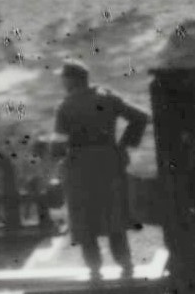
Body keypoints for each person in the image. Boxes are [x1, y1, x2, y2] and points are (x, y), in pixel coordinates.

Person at [53, 59, 149, 279]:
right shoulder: (107, 97)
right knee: (115, 217)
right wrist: (124, 145)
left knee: (85, 221)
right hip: (110, 164)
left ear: (71, 80)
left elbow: (58, 147)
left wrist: (51, 151)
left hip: (79, 169)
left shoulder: (66, 106)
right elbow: (140, 117)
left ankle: (94, 271)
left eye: (63, 78)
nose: (62, 82)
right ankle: (126, 266)